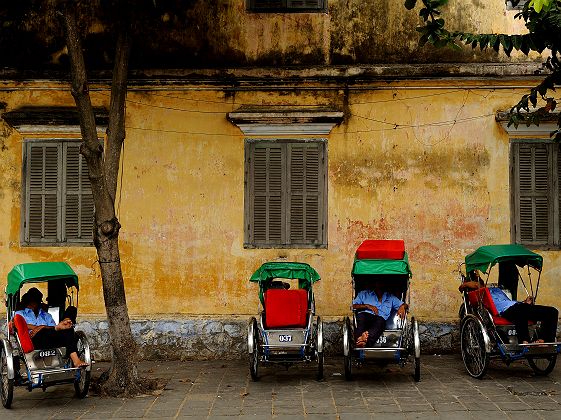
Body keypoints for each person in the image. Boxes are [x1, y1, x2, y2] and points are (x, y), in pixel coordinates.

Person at [459, 273, 559, 344]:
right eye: (477, 280)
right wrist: (465, 284)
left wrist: (525, 302)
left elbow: (508, 301)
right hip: (506, 311)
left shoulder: (495, 289)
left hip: (518, 306)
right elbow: (473, 285)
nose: (480, 281)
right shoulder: (479, 293)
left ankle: (544, 340)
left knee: (552, 311)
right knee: (521, 310)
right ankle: (524, 341)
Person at [14, 287, 87, 367]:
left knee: (68, 329)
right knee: (42, 331)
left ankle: (76, 360)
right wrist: (36, 328)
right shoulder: (20, 313)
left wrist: (43, 327)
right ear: (28, 300)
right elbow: (16, 324)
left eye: (38, 300)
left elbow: (52, 328)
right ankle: (58, 327)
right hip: (33, 340)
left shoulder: (46, 315)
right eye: (35, 300)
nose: (37, 303)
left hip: (49, 339)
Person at [352, 279, 408, 348]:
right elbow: (353, 306)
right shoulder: (364, 294)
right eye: (377, 282)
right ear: (374, 284)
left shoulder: (390, 297)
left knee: (380, 321)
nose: (379, 285)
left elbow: (405, 305)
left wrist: (402, 306)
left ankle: (363, 340)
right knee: (361, 317)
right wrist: (367, 306)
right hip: (366, 316)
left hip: (380, 320)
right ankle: (361, 339)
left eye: (381, 283)